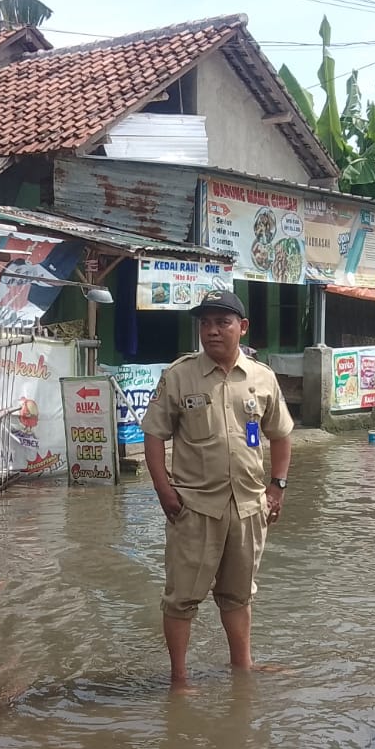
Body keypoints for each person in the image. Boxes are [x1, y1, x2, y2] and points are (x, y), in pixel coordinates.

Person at [141, 290, 293, 691]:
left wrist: (277, 486)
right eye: (205, 323)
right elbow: (154, 435)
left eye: (222, 322)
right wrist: (164, 491)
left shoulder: (262, 378)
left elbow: (280, 435)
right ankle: (179, 680)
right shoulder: (180, 375)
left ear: (242, 328)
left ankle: (243, 668)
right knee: (181, 599)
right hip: (194, 507)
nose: (212, 331)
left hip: (248, 507)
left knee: (238, 595)